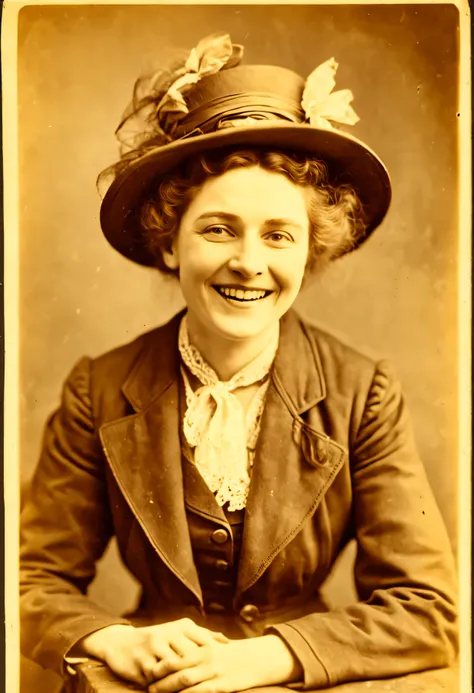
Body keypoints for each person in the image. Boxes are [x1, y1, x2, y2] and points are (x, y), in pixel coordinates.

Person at [20, 32, 457, 692]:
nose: (249, 262)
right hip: (152, 680)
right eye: (218, 228)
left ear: (310, 254)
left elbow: (427, 610)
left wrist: (264, 657)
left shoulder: (362, 391)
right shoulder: (100, 388)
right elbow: (29, 579)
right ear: (170, 243)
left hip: (301, 680)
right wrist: (116, 640)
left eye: (278, 235)